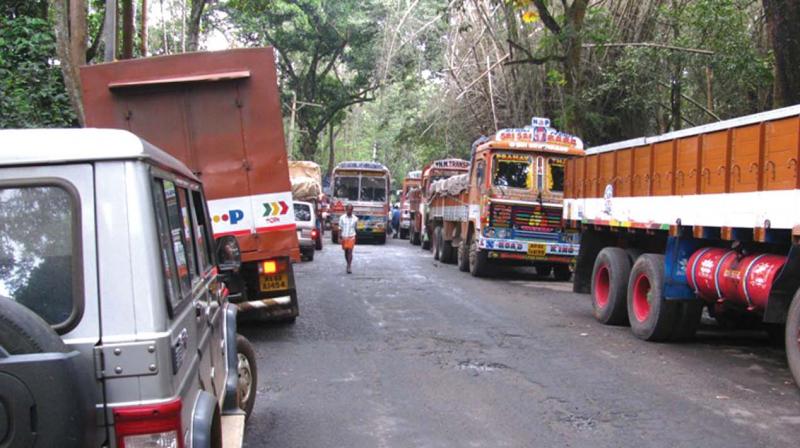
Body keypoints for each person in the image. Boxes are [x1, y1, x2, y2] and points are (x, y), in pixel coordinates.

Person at [338, 204, 358, 274]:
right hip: (344, 236)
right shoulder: (342, 218)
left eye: (351, 209)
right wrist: (339, 237)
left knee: (350, 251)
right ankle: (348, 263)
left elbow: (355, 228)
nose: (349, 211)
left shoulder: (355, 219)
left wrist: (356, 236)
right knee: (346, 251)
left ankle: (349, 266)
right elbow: (340, 228)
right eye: (348, 209)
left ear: (352, 210)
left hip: (351, 237)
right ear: (346, 210)